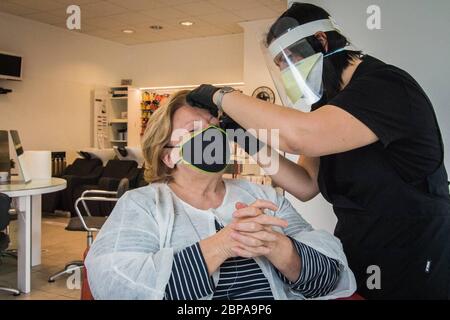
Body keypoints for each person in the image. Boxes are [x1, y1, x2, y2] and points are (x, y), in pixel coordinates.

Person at [186, 3, 450, 299]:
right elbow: (304, 184)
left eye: (288, 61)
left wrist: (221, 95)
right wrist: (241, 135)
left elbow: (300, 136)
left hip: (412, 255)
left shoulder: (385, 85)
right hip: (356, 252)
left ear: (322, 41)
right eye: (280, 66)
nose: (286, 72)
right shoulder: (327, 107)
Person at [85, 90, 356, 300]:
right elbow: (117, 284)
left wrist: (279, 247)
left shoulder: (263, 196)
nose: (211, 136)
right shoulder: (144, 204)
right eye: (194, 131)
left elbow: (329, 276)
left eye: (215, 126)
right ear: (168, 155)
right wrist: (224, 244)